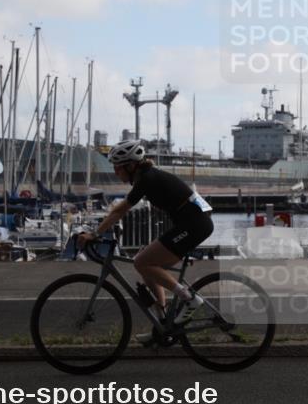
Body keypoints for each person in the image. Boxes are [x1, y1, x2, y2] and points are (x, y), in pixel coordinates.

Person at [76, 139, 214, 336]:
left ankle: (189, 299)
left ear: (131, 166)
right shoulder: (149, 176)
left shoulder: (147, 179)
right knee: (144, 260)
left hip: (194, 225)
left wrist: (95, 233)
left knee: (142, 262)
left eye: (118, 168)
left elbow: (120, 210)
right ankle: (163, 321)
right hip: (191, 223)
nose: (116, 173)